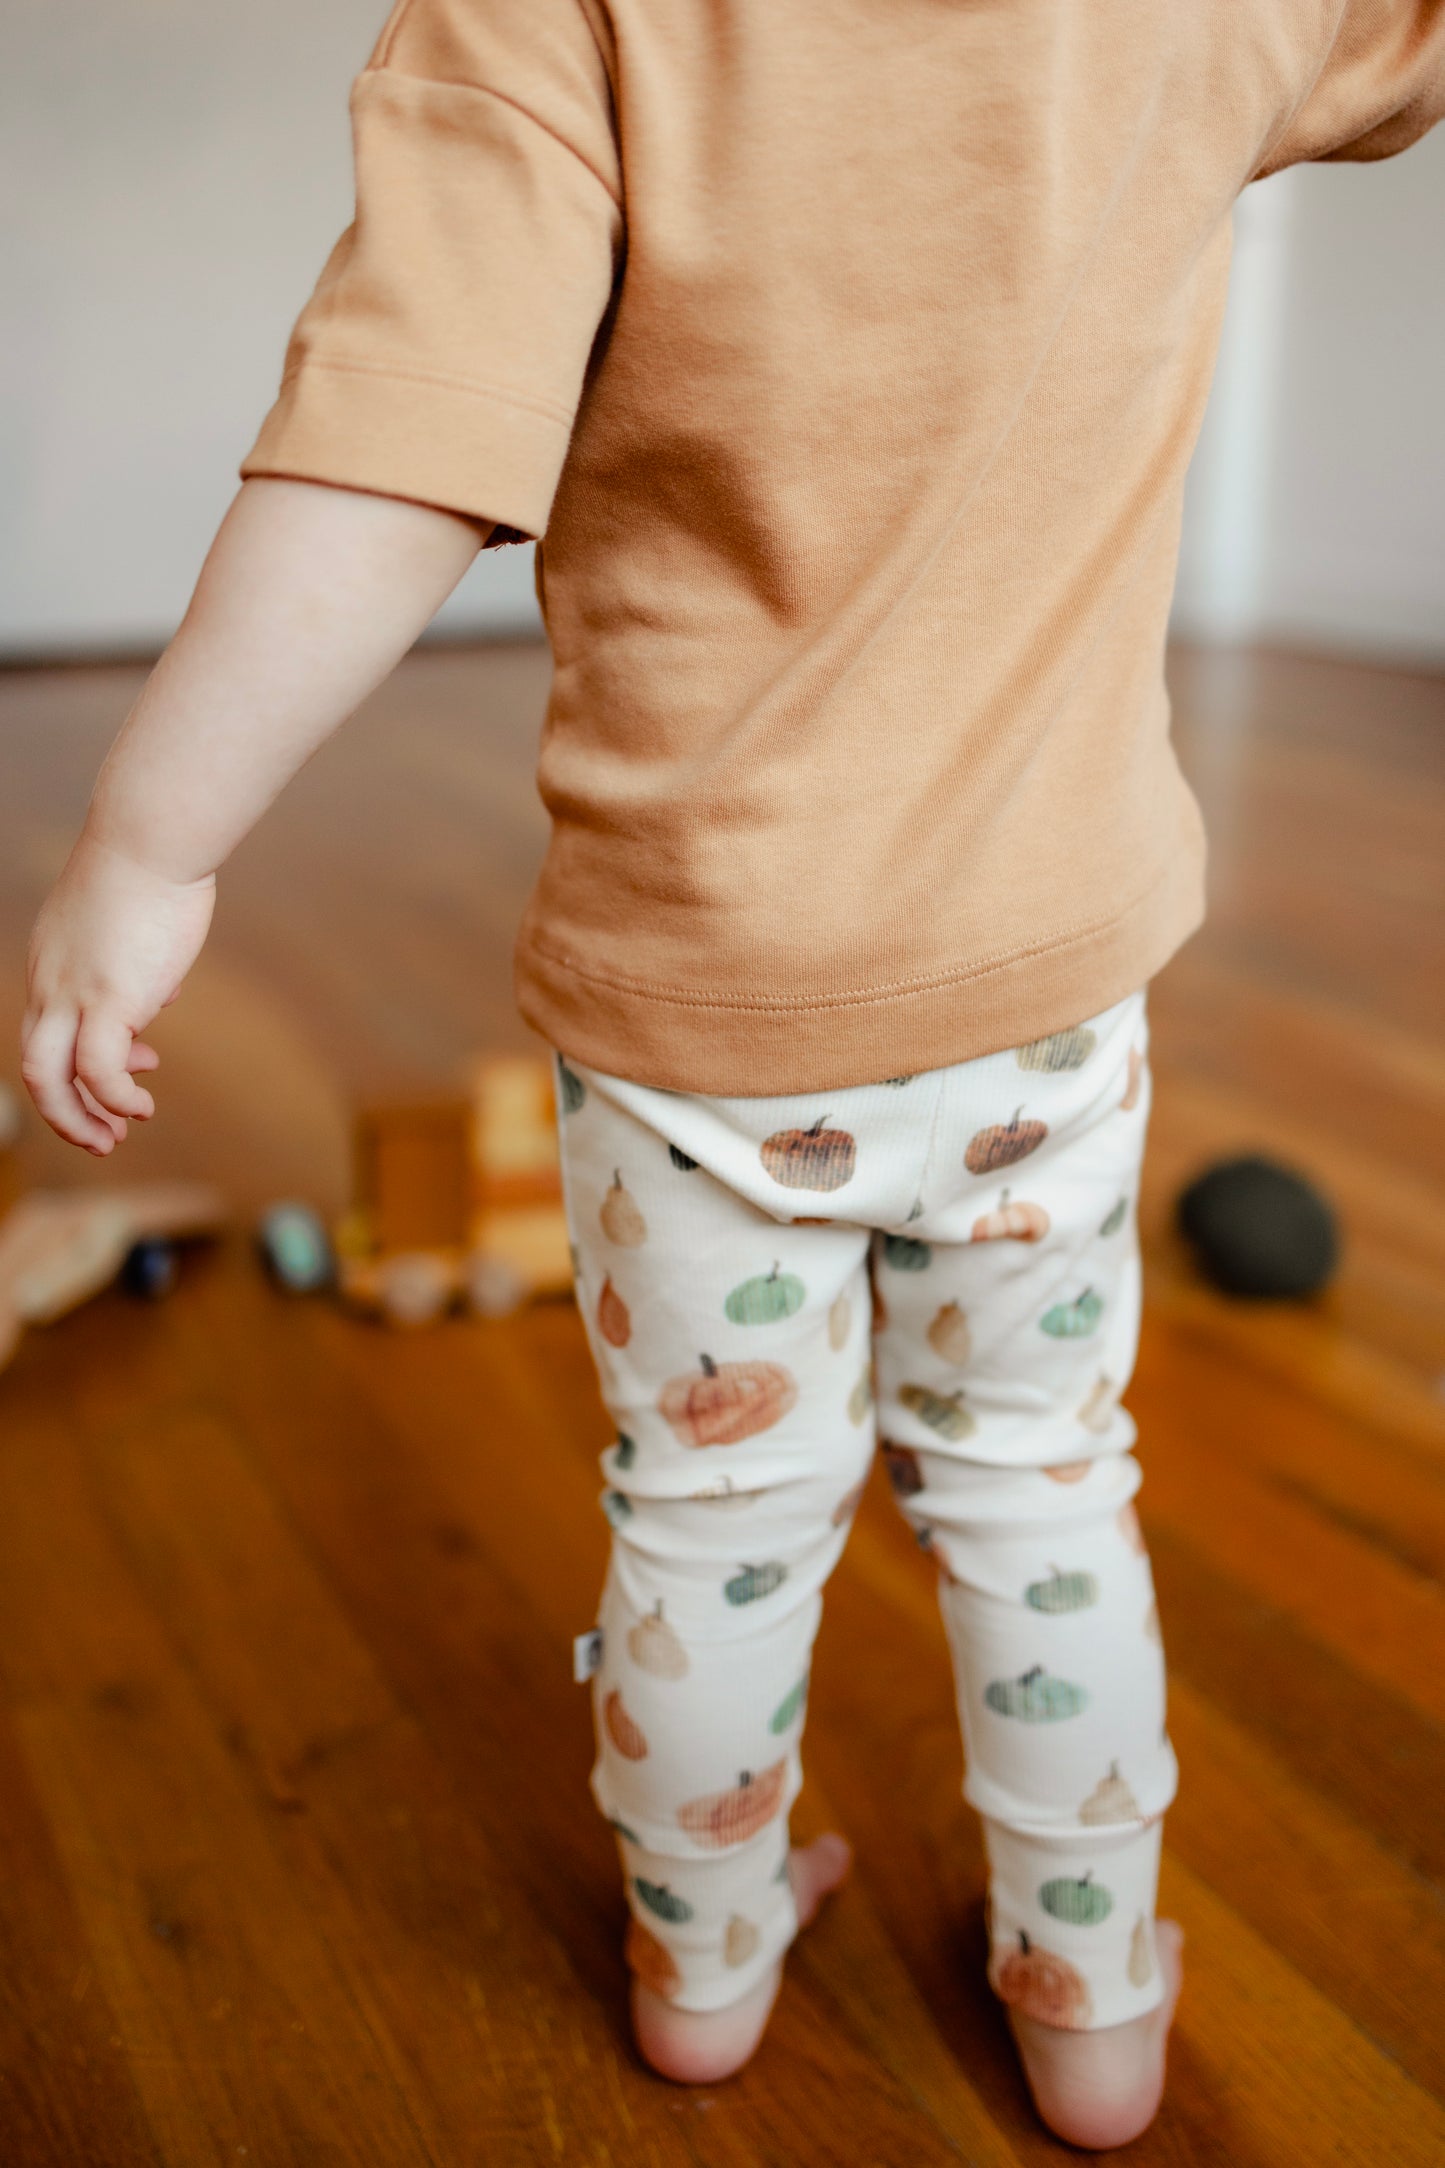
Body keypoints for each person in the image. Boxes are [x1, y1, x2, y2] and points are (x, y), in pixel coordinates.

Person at [20, 0, 1444, 2146]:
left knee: (711, 1515)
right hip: (1045, 993)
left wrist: (151, 839)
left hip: (700, 1013)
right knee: (1042, 1487)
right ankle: (1093, 2011)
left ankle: (702, 1963)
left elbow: (397, 437)